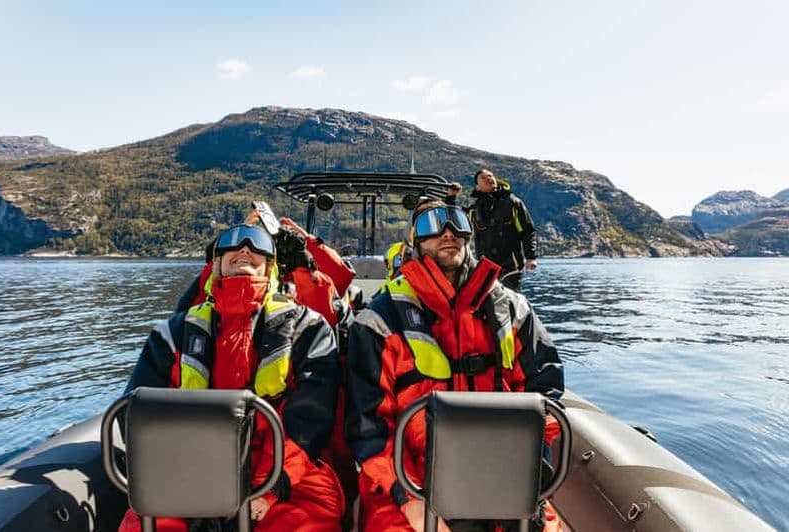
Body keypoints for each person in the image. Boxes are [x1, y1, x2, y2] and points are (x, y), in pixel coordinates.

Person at [346, 200, 564, 532]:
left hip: (505, 473)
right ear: (414, 243)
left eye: (457, 222)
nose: (447, 232)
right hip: (411, 480)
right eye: (430, 225)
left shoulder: (514, 309)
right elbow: (368, 427)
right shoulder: (379, 321)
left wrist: (526, 476)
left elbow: (546, 394)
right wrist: (410, 501)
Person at [119, 224, 344, 532]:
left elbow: (312, 416)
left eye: (258, 246)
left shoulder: (308, 328)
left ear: (272, 265)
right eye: (231, 246)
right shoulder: (172, 334)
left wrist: (272, 486)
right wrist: (194, 489)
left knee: (309, 519)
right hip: (190, 469)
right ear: (216, 265)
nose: (244, 249)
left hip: (284, 471)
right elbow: (139, 416)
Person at [468, 169, 538, 282]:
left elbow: (528, 231)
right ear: (478, 187)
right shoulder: (474, 209)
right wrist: (451, 198)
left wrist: (531, 257)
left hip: (511, 265)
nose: (489, 179)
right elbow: (457, 225)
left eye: (490, 176)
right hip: (485, 266)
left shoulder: (513, 202)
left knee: (511, 297)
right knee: (487, 298)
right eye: (483, 178)